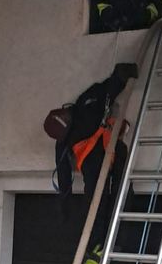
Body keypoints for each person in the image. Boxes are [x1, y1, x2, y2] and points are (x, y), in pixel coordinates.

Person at [55, 63, 138, 248]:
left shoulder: (83, 108)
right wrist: (64, 204)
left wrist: (120, 77)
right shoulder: (69, 126)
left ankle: (103, 243)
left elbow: (105, 91)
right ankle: (103, 244)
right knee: (107, 199)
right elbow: (62, 173)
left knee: (106, 198)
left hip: (106, 151)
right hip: (101, 155)